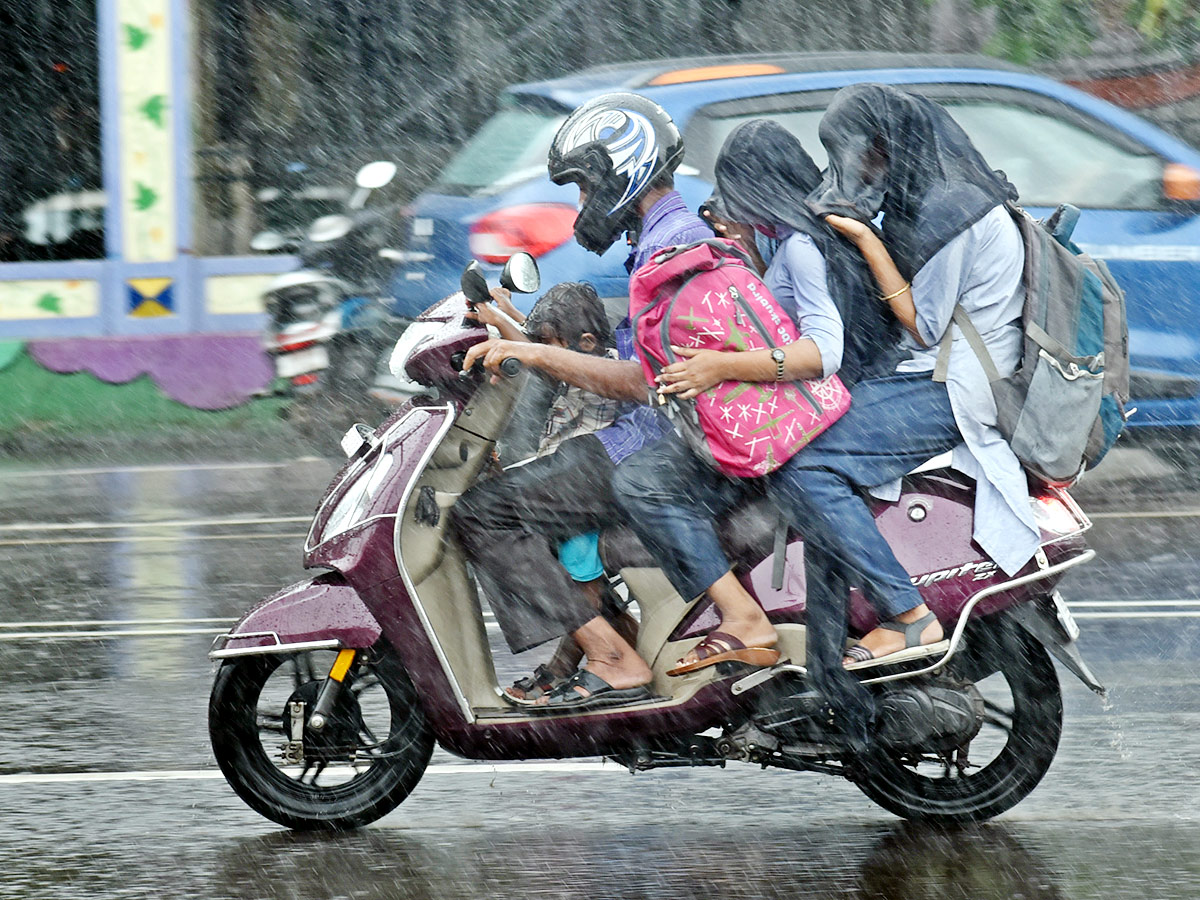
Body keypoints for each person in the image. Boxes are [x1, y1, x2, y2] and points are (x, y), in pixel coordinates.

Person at [766, 83, 1042, 742]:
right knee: (805, 441)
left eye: (858, 156)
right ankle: (827, 654)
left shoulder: (955, 214)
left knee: (800, 467)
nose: (856, 170)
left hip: (957, 389)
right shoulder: (938, 196)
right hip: (937, 375)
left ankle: (908, 611)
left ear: (887, 145)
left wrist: (864, 239)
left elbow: (920, 326)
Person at [453, 91, 712, 711]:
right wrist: (512, 329)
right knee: (514, 498)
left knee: (482, 514)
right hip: (648, 438)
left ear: (625, 169)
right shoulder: (657, 240)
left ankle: (610, 656)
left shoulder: (673, 247)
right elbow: (630, 344)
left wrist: (535, 354)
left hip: (650, 444)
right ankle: (610, 636)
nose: (582, 205)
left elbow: (645, 378)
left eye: (586, 186)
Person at [613, 118, 901, 674]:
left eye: (737, 193)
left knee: (642, 482)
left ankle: (741, 617)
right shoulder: (805, 237)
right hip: (816, 406)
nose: (728, 208)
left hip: (803, 415)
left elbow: (823, 353)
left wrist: (718, 365)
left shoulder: (803, 246)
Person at [462, 280, 637, 699]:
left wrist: (506, 326)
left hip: (588, 486)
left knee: (577, 575)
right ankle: (617, 637)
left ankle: (586, 658)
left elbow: (543, 359)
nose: (543, 349)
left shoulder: (602, 369)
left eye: (550, 343)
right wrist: (505, 318)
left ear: (588, 342)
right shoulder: (585, 352)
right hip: (572, 473)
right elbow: (544, 350)